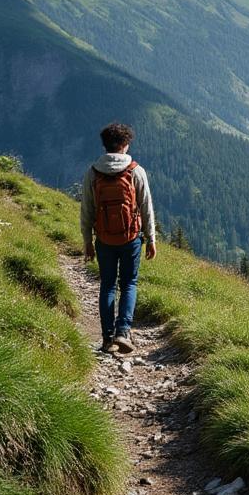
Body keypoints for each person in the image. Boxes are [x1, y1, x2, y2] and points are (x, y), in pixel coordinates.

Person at [80, 122, 156, 354]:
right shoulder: (135, 171)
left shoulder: (93, 172)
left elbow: (87, 210)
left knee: (107, 285)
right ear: (125, 144)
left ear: (105, 145)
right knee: (129, 283)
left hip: (104, 239)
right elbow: (146, 207)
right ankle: (123, 332)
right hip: (130, 238)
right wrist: (151, 238)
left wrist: (87, 242)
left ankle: (106, 338)